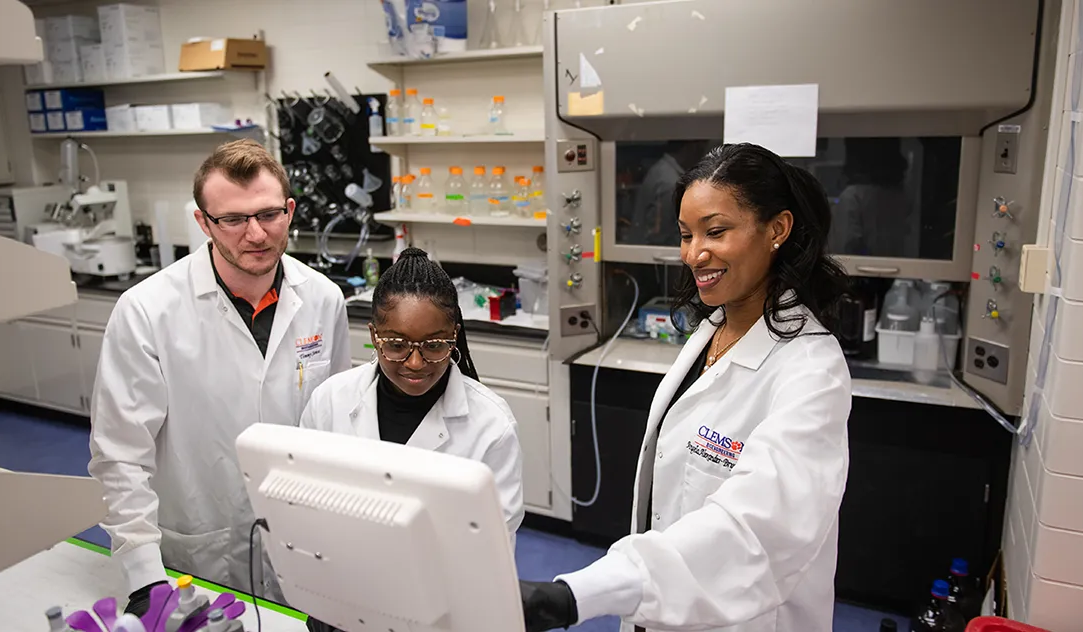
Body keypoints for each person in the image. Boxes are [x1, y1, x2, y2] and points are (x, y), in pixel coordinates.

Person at [521, 143, 853, 632]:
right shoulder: (711, 330)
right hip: (665, 608)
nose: (694, 253)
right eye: (685, 235)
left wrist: (577, 595)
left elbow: (754, 529)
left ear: (777, 229)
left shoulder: (811, 370)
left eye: (715, 231)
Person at [88, 139, 350, 614]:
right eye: (232, 220)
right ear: (203, 222)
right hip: (198, 545)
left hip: (305, 547)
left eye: (269, 215)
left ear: (289, 211)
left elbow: (337, 430)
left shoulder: (324, 300)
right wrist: (144, 575)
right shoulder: (148, 311)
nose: (255, 234)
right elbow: (120, 456)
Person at [300, 247, 525, 632]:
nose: (416, 363)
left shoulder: (491, 425)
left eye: (434, 345)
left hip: (442, 615)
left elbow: (489, 551)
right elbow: (303, 509)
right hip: (342, 600)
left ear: (454, 336)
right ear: (373, 336)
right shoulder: (330, 401)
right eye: (396, 344)